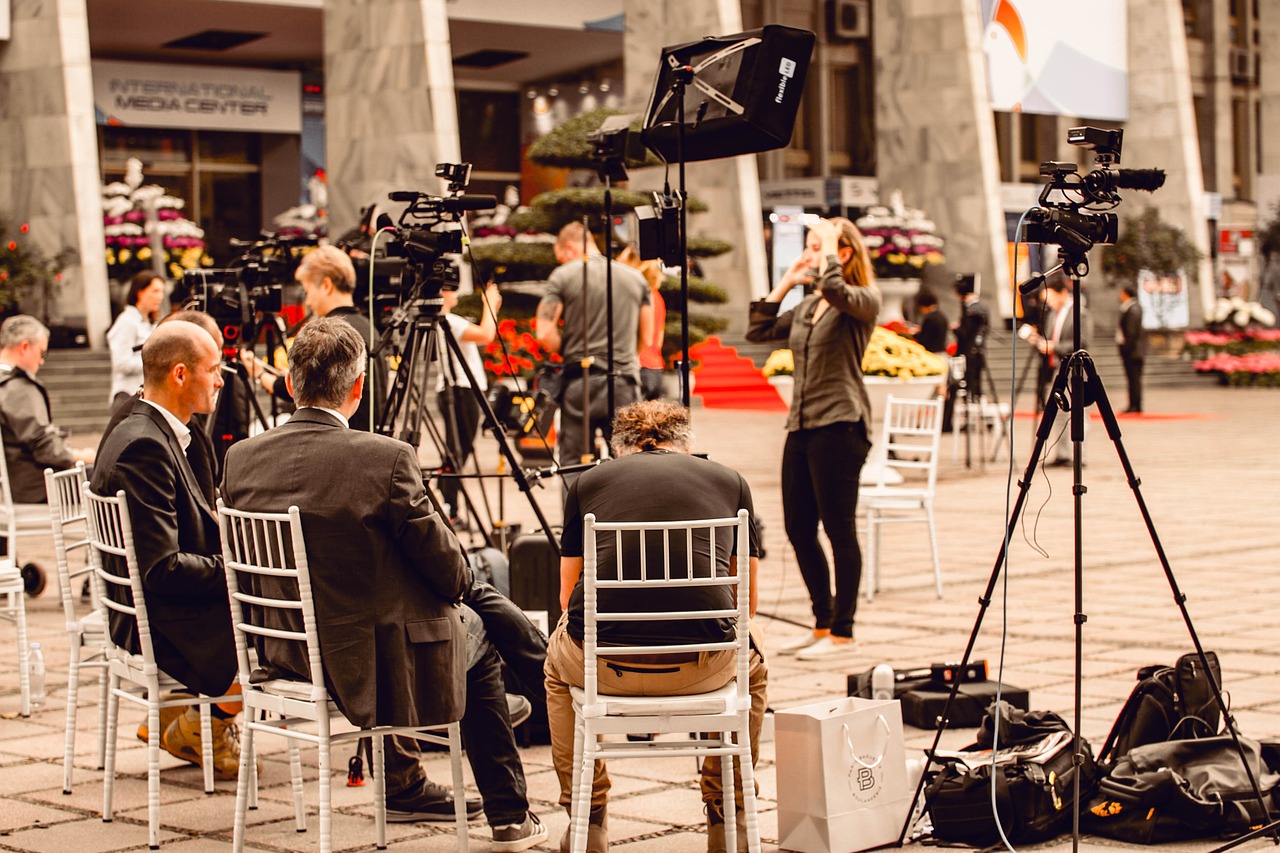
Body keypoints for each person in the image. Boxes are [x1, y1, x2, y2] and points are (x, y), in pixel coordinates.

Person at [221, 318, 547, 850]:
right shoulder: (385, 457)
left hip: (284, 651)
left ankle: (531, 680)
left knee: (471, 611)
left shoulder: (242, 458)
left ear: (288, 384)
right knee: (477, 625)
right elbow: (452, 572)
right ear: (358, 388)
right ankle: (510, 813)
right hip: (369, 659)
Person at [544, 401, 767, 853]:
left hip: (603, 668)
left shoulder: (588, 482)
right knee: (755, 659)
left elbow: (568, 598)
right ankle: (728, 813)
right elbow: (749, 604)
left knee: (554, 672)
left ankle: (589, 815)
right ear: (686, 444)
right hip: (705, 668)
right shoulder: (730, 481)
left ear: (618, 447)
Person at [89, 320, 248, 778]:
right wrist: (241, 568)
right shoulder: (144, 445)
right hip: (153, 620)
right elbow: (162, 568)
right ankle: (203, 724)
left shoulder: (150, 427)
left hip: (153, 606)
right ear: (180, 375)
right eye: (214, 369)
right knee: (301, 617)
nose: (221, 380)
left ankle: (198, 723)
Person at [745, 217, 880, 661]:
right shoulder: (807, 308)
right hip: (801, 426)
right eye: (807, 245)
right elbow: (758, 332)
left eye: (818, 245)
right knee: (798, 528)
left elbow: (838, 291)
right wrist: (786, 280)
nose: (810, 251)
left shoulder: (859, 301)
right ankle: (821, 623)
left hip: (841, 425)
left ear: (843, 254)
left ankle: (844, 630)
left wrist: (824, 252)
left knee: (839, 528)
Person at [536, 222, 653, 470]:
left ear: (569, 247)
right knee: (629, 460)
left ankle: (579, 509)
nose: (562, 262)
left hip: (581, 381)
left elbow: (545, 333)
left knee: (574, 464)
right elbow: (648, 338)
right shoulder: (635, 278)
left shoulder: (564, 275)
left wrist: (569, 350)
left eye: (561, 257)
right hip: (625, 382)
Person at [243, 244, 387, 433]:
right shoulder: (368, 327)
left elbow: (312, 393)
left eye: (307, 291)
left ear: (326, 285)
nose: (308, 302)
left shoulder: (334, 332)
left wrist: (260, 374)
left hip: (343, 440)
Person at [0, 315, 95, 502]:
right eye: (42, 353)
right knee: (113, 476)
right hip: (33, 484)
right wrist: (78, 455)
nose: (42, 362)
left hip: (13, 482)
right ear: (25, 346)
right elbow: (44, 446)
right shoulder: (16, 388)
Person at [437, 282, 501, 528]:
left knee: (457, 450)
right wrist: (489, 305)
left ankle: (448, 503)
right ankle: (449, 506)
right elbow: (486, 334)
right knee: (457, 451)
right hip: (461, 389)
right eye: (450, 287)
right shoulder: (447, 320)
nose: (455, 292)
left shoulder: (446, 321)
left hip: (457, 389)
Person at [1027, 275, 1091, 465]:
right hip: (1056, 368)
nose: (1049, 303)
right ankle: (1063, 454)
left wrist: (1053, 347)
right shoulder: (1054, 313)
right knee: (1058, 413)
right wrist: (1039, 340)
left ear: (1062, 293)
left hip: (1074, 370)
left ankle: (1079, 455)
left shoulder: (1079, 312)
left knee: (1077, 414)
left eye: (1052, 297)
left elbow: (1083, 342)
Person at [107, 271, 166, 405]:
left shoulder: (150, 323)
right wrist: (156, 362)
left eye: (161, 292)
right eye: (155, 291)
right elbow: (121, 363)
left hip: (146, 398)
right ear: (140, 292)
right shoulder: (126, 321)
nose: (160, 297)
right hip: (127, 397)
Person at [941, 274, 990, 433]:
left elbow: (966, 333)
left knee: (968, 387)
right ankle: (980, 420)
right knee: (974, 389)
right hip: (975, 354)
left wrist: (956, 329)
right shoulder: (980, 308)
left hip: (969, 355)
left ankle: (951, 422)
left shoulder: (971, 309)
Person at [618, 245, 666, 401]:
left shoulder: (638, 296)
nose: (617, 261)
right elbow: (658, 339)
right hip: (654, 368)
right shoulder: (656, 296)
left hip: (638, 368)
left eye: (622, 259)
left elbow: (646, 339)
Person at [1117, 283, 1148, 413]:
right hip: (1133, 350)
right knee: (1132, 379)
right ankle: (1133, 404)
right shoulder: (1130, 308)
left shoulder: (1132, 309)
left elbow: (1131, 331)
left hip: (1133, 351)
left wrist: (1126, 347)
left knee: (1134, 379)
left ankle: (1135, 405)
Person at [908, 288, 949, 354]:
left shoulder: (930, 318)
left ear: (923, 306)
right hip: (942, 352)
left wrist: (915, 334)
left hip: (932, 353)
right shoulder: (941, 316)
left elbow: (924, 339)